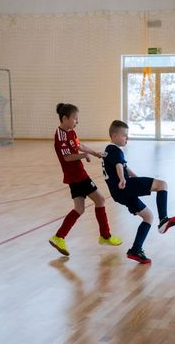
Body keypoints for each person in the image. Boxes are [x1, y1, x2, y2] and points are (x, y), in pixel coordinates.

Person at [102, 120, 175, 264]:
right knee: (162, 185)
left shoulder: (109, 151)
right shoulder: (115, 150)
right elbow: (119, 166)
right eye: (124, 135)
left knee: (148, 216)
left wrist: (136, 178)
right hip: (124, 186)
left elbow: (124, 166)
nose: (127, 138)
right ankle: (163, 219)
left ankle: (135, 250)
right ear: (114, 136)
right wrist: (123, 179)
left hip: (119, 193)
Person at [49, 103, 122, 256]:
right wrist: (84, 155)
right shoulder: (60, 135)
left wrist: (94, 153)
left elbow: (78, 145)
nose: (77, 121)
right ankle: (105, 236)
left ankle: (59, 237)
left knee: (79, 209)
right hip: (77, 176)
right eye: (75, 118)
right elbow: (67, 157)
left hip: (75, 175)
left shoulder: (71, 131)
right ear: (65, 118)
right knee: (100, 200)